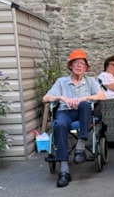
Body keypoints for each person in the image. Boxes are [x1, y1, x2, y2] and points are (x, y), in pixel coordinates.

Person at [43, 49, 105, 188]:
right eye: (75, 63)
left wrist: (84, 98)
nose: (79, 65)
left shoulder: (90, 81)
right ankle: (64, 170)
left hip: (83, 114)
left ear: (85, 67)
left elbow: (102, 96)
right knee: (59, 125)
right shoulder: (61, 82)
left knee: (84, 105)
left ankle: (80, 147)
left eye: (82, 63)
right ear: (70, 66)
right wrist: (61, 97)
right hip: (64, 112)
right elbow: (45, 98)